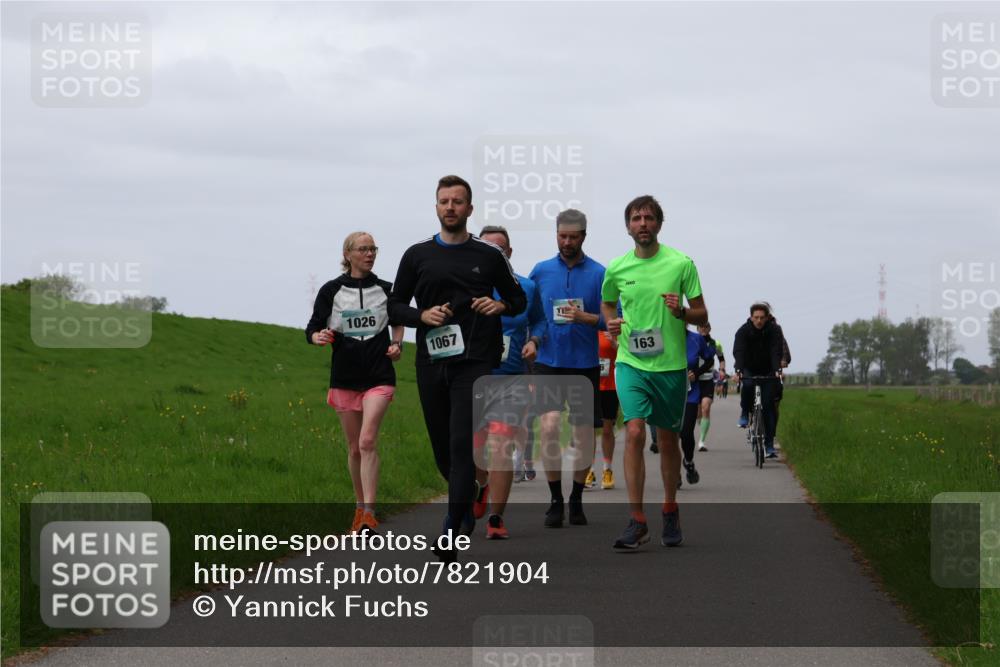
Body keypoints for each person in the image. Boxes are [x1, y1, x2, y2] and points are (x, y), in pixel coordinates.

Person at [388, 175, 526, 561]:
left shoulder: (488, 255)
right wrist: (421, 315)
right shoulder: (416, 255)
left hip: (476, 359)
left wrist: (499, 306)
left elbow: (517, 300)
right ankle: (468, 499)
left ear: (469, 209)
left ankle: (450, 529)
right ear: (436, 207)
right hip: (432, 359)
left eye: (457, 201)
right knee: (442, 450)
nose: (450, 207)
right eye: (444, 201)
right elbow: (395, 306)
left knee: (462, 440)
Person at [601, 195, 707, 551]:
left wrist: (680, 313)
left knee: (666, 441)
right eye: (635, 218)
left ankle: (669, 507)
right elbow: (607, 302)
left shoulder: (681, 263)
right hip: (631, 362)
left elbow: (702, 316)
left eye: (648, 217)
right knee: (632, 431)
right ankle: (637, 519)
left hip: (671, 367)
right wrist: (611, 323)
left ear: (659, 224)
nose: (642, 223)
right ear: (628, 226)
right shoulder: (616, 268)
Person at [306, 231, 403, 534]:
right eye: (363, 249)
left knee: (367, 440)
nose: (370, 254)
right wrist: (317, 336)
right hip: (345, 377)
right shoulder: (331, 290)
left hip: (379, 376)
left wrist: (398, 344)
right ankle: (359, 509)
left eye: (373, 248)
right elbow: (313, 326)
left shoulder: (387, 289)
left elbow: (399, 319)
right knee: (353, 448)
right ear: (347, 254)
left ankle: (371, 513)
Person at [528, 209, 606, 528]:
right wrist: (532, 339)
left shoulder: (600, 273)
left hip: (584, 364)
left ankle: (576, 497)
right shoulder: (541, 271)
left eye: (573, 237)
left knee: (584, 435)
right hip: (549, 362)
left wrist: (590, 319)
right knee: (548, 429)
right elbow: (530, 313)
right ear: (556, 234)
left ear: (584, 236)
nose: (567, 242)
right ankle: (555, 499)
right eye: (562, 236)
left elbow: (613, 318)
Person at [477, 225, 547, 539]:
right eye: (488, 248)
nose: (496, 254)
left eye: (501, 250)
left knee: (502, 444)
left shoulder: (527, 287)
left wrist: (534, 340)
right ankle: (481, 486)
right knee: (475, 449)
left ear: (509, 253)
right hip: (473, 378)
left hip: (511, 377)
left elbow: (540, 320)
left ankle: (496, 518)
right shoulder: (466, 284)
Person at [732, 301, 783, 459]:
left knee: (768, 407)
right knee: (747, 385)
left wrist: (777, 370)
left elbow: (776, 351)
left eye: (762, 317)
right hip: (749, 368)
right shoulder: (743, 331)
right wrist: (739, 370)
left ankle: (769, 446)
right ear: (751, 317)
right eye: (756, 317)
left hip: (768, 370)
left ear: (767, 318)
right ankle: (745, 412)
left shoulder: (774, 330)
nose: (759, 321)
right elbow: (739, 351)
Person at [681, 328, 714, 483]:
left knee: (686, 433)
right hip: (667, 394)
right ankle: (673, 472)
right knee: (669, 437)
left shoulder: (696, 339)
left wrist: (696, 372)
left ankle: (688, 461)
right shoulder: (661, 336)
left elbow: (710, 360)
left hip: (690, 394)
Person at [695, 323, 726, 451]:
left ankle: (702, 441)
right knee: (698, 413)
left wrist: (722, 370)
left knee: (706, 408)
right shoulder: (692, 341)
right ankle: (699, 420)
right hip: (694, 380)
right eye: (701, 326)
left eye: (705, 326)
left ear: (709, 329)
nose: (703, 328)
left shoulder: (715, 343)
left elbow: (721, 358)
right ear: (697, 328)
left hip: (708, 380)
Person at [596, 330, 619, 489]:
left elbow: (627, 353)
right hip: (589, 384)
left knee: (607, 429)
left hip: (610, 386)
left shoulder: (613, 330)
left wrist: (616, 345)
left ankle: (607, 469)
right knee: (587, 430)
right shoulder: (586, 329)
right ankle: (588, 471)